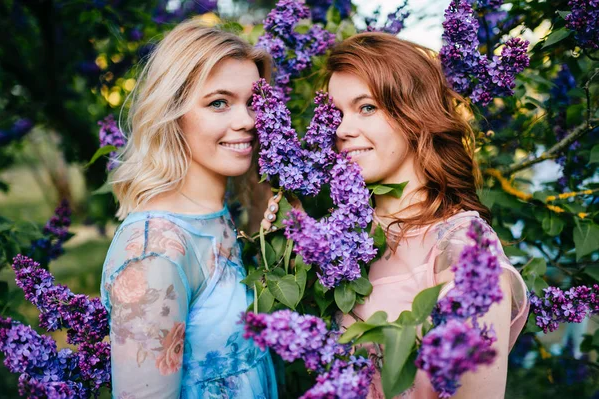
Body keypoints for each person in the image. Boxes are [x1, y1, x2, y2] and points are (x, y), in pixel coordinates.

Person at [262, 32, 529, 399]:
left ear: (414, 113)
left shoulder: (464, 251)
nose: (341, 129)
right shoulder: (344, 238)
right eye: (336, 114)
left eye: (366, 107)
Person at [100, 20, 278, 399]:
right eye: (219, 103)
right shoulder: (154, 253)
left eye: (254, 103)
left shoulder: (218, 216)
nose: (247, 121)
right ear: (172, 114)